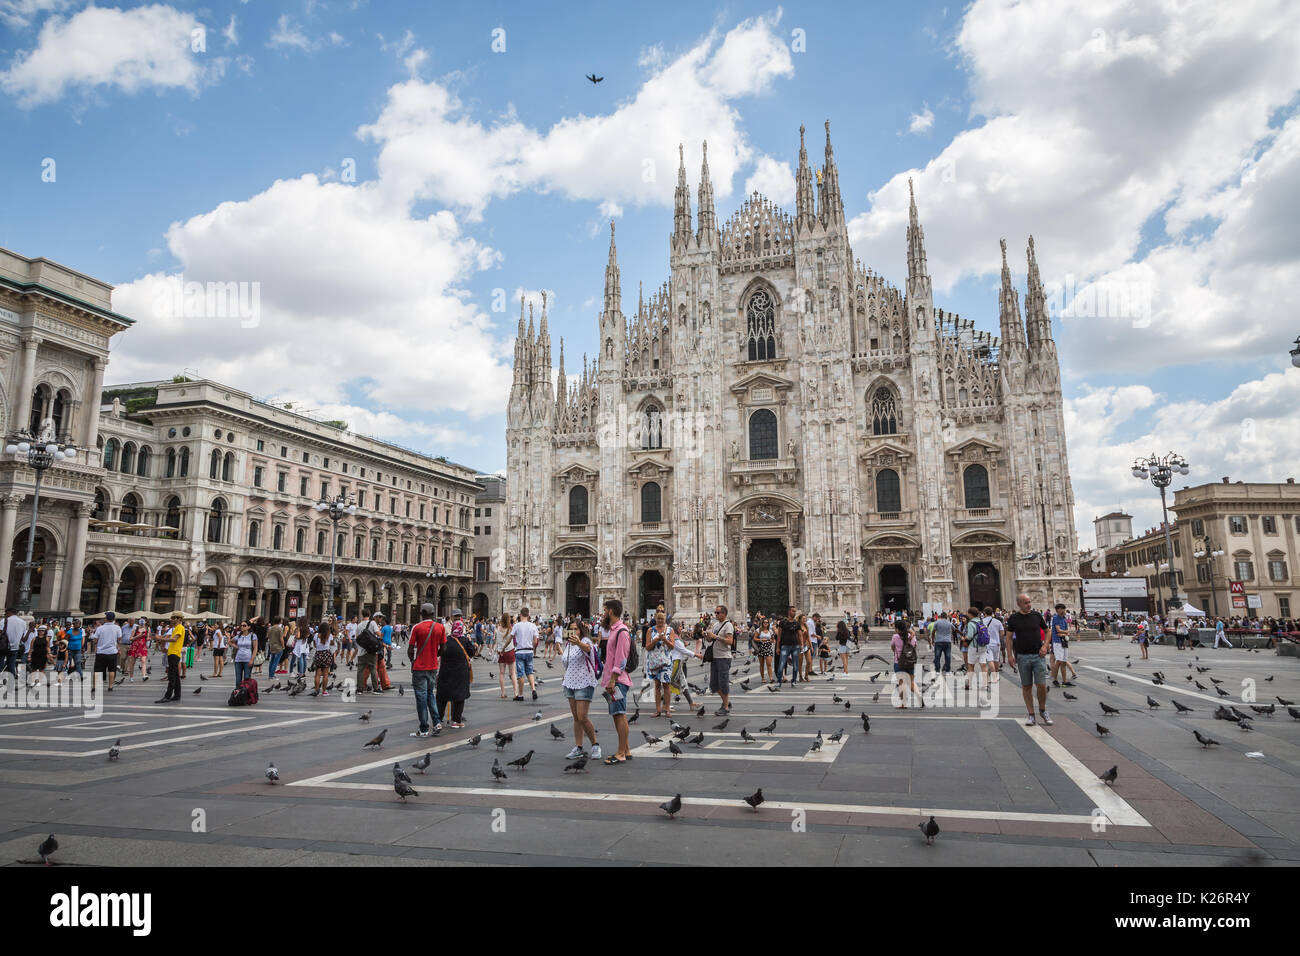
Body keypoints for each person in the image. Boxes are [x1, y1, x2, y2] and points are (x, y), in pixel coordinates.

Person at [1006, 593, 1052, 727]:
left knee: (1041, 685)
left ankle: (1043, 710)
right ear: (1019, 604)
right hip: (1022, 657)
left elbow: (1048, 631)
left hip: (1038, 656)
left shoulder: (1037, 616)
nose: (1029, 605)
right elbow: (1008, 638)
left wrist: (1045, 645)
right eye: (1026, 602)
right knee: (1026, 686)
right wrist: (1010, 655)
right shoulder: (1013, 618)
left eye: (1029, 602)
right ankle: (1031, 714)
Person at [598, 598, 633, 765]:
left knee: (620, 715)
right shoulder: (614, 630)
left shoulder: (622, 632)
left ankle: (620, 753)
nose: (604, 614)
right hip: (613, 680)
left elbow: (621, 659)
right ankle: (626, 749)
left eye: (605, 610)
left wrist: (613, 680)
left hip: (618, 681)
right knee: (618, 715)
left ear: (611, 611)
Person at [561, 618, 601, 761]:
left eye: (576, 629)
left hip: (584, 682)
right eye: (571, 629)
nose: (574, 632)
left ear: (581, 630)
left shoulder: (586, 641)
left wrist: (578, 642)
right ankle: (578, 747)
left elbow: (589, 650)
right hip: (570, 683)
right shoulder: (568, 645)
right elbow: (566, 662)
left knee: (582, 716)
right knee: (576, 718)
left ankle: (595, 745)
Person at [408, 603, 444, 737]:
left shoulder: (417, 628)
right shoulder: (440, 627)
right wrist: (435, 655)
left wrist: (412, 661)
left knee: (421, 698)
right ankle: (437, 722)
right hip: (433, 667)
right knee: (430, 694)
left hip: (420, 668)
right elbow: (444, 647)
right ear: (433, 613)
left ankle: (424, 729)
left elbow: (410, 649)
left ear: (422, 613)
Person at [436, 609, 474, 728]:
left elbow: (439, 653)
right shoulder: (465, 641)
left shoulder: (446, 640)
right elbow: (472, 653)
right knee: (459, 696)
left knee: (443, 696)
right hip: (460, 673)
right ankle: (456, 721)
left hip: (446, 672)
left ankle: (438, 718)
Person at [645, 610, 674, 718]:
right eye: (658, 619)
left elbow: (672, 646)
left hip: (666, 662)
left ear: (665, 620)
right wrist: (655, 640)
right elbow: (647, 647)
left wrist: (665, 640)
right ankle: (658, 710)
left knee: (666, 685)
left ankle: (667, 709)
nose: (660, 621)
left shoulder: (670, 630)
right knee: (657, 686)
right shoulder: (650, 630)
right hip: (654, 661)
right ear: (655, 619)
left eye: (662, 619)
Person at [708, 604, 735, 716]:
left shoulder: (728, 625)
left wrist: (715, 637)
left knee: (723, 683)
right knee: (713, 684)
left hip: (724, 657)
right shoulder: (715, 625)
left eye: (718, 613)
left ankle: (725, 707)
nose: (716, 614)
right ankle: (726, 702)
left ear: (724, 613)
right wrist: (708, 636)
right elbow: (711, 640)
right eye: (715, 612)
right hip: (715, 657)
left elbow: (730, 641)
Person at [510, 607, 540, 702]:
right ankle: (533, 689)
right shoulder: (533, 626)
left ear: (520, 614)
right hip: (529, 651)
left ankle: (521, 695)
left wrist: (503, 647)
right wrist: (533, 648)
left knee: (521, 674)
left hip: (519, 651)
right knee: (530, 672)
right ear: (528, 615)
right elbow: (535, 641)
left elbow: (510, 638)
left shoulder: (516, 626)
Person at [156, 611, 186, 703]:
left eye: (174, 618)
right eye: (172, 618)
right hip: (172, 653)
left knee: (172, 676)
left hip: (174, 653)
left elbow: (174, 639)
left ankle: (167, 696)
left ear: (179, 619)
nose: (172, 619)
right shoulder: (176, 627)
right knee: (176, 676)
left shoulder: (180, 627)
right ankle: (177, 695)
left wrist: (161, 638)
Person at [90, 612, 123, 694]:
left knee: (97, 670)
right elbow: (119, 638)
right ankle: (110, 686)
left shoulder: (100, 628)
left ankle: (94, 687)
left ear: (106, 619)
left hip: (101, 652)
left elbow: (95, 640)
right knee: (112, 670)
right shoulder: (117, 628)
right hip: (112, 652)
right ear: (113, 619)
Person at [890, 620, 919, 708]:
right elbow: (914, 646)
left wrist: (898, 651)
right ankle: (919, 696)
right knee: (911, 683)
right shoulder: (912, 637)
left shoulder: (895, 637)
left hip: (899, 663)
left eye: (895, 628)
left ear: (898, 629)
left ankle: (903, 704)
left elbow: (892, 647)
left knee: (901, 684)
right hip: (910, 662)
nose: (895, 629)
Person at [1049, 603, 1075, 686]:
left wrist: (1064, 633)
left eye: (1064, 609)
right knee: (1059, 661)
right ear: (1057, 610)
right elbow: (1058, 630)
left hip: (1064, 641)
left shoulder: (1064, 618)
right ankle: (1055, 679)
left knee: (1064, 662)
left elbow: (1065, 631)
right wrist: (1065, 633)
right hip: (1057, 642)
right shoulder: (1056, 617)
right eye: (1061, 609)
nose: (1063, 610)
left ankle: (1065, 681)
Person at [776, 605, 801, 687]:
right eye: (793, 611)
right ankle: (779, 681)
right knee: (781, 664)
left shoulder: (796, 623)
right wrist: (777, 647)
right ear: (789, 611)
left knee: (796, 665)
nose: (794, 613)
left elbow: (799, 635)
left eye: (795, 611)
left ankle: (793, 681)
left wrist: (801, 645)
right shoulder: (783, 622)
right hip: (785, 646)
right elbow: (779, 635)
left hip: (795, 646)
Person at [311, 619, 336, 697]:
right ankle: (324, 691)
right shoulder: (329, 635)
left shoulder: (316, 635)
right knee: (325, 673)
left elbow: (315, 645)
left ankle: (316, 690)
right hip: (326, 653)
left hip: (318, 653)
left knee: (317, 674)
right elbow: (332, 643)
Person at [494, 613, 516, 699]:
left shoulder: (498, 629)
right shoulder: (510, 629)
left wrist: (499, 651)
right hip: (509, 651)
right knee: (512, 673)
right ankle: (515, 693)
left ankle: (503, 693)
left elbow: (497, 641)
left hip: (501, 653)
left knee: (501, 673)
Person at [231, 621, 258, 687]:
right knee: (238, 679)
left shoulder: (253, 635)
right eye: (241, 625)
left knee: (247, 678)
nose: (242, 627)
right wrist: (236, 647)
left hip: (248, 659)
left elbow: (255, 648)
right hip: (238, 659)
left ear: (249, 627)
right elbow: (230, 641)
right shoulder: (239, 635)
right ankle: (238, 693)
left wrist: (252, 660)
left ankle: (246, 693)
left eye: (244, 625)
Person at [928, 611, 954, 677]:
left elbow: (933, 632)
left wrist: (933, 640)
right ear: (946, 617)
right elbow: (954, 629)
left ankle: (937, 671)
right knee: (947, 656)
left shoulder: (937, 622)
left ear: (941, 616)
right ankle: (947, 671)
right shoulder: (949, 623)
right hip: (947, 642)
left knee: (937, 656)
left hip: (938, 641)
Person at [753, 614, 775, 684]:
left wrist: (771, 640)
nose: (765, 624)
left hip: (768, 647)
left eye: (767, 623)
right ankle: (763, 678)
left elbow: (773, 639)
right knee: (762, 664)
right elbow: (754, 638)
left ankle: (771, 677)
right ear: (762, 623)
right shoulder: (758, 630)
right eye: (764, 622)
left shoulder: (770, 631)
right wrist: (761, 639)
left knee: (769, 663)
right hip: (761, 647)